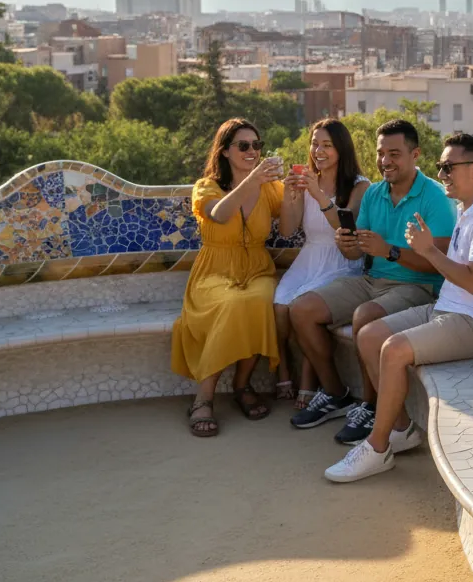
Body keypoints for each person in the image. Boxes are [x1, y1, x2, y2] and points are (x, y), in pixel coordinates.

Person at [325, 133, 473, 483]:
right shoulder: (470, 208)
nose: (442, 173)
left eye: (449, 167)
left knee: (394, 349)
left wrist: (429, 251)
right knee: (369, 335)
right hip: (449, 309)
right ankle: (400, 427)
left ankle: (377, 446)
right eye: (440, 167)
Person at [288, 119, 456, 435]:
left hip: (417, 285)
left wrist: (389, 250)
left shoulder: (435, 197)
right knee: (301, 310)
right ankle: (336, 393)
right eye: (381, 153)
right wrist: (347, 244)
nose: (385, 161)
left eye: (394, 153)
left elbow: (441, 263)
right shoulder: (374, 193)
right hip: (371, 280)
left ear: (415, 154)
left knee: (364, 317)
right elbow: (356, 253)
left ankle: (371, 405)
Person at [173, 118, 285, 437]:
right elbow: (220, 215)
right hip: (214, 271)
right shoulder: (207, 187)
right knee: (234, 302)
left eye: (256, 145)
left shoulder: (268, 188)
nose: (252, 151)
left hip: (258, 268)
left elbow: (290, 223)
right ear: (224, 152)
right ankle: (204, 396)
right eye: (244, 146)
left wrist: (296, 191)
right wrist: (254, 179)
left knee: (260, 300)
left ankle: (241, 382)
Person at [275, 119, 370, 409]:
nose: (319, 151)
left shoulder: (360, 186)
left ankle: (309, 382)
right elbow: (287, 231)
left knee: (300, 308)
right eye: (315, 144)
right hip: (310, 256)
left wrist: (317, 194)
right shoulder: (305, 183)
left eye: (327, 145)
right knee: (279, 305)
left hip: (341, 259)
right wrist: (291, 196)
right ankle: (283, 370)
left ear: (342, 149)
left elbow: (345, 228)